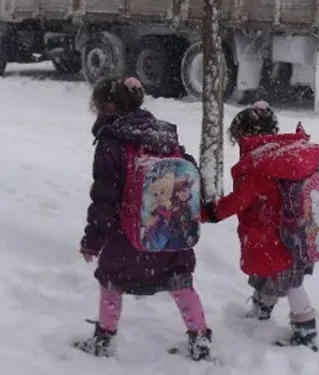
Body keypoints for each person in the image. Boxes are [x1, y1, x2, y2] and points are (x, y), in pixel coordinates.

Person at [76, 77, 212, 361]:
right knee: (181, 281)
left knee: (111, 280)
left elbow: (104, 197)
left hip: (127, 234)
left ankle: (104, 339)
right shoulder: (163, 134)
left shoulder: (112, 140)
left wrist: (93, 239)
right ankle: (200, 340)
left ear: (107, 105)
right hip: (171, 231)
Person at [201, 101, 319, 350]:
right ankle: (263, 312)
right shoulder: (291, 151)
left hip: (272, 237)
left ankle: (305, 329)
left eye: (238, 137)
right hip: (299, 234)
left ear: (246, 136)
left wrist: (207, 213)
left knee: (286, 281)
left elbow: (236, 202)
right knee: (281, 278)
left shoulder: (259, 166)